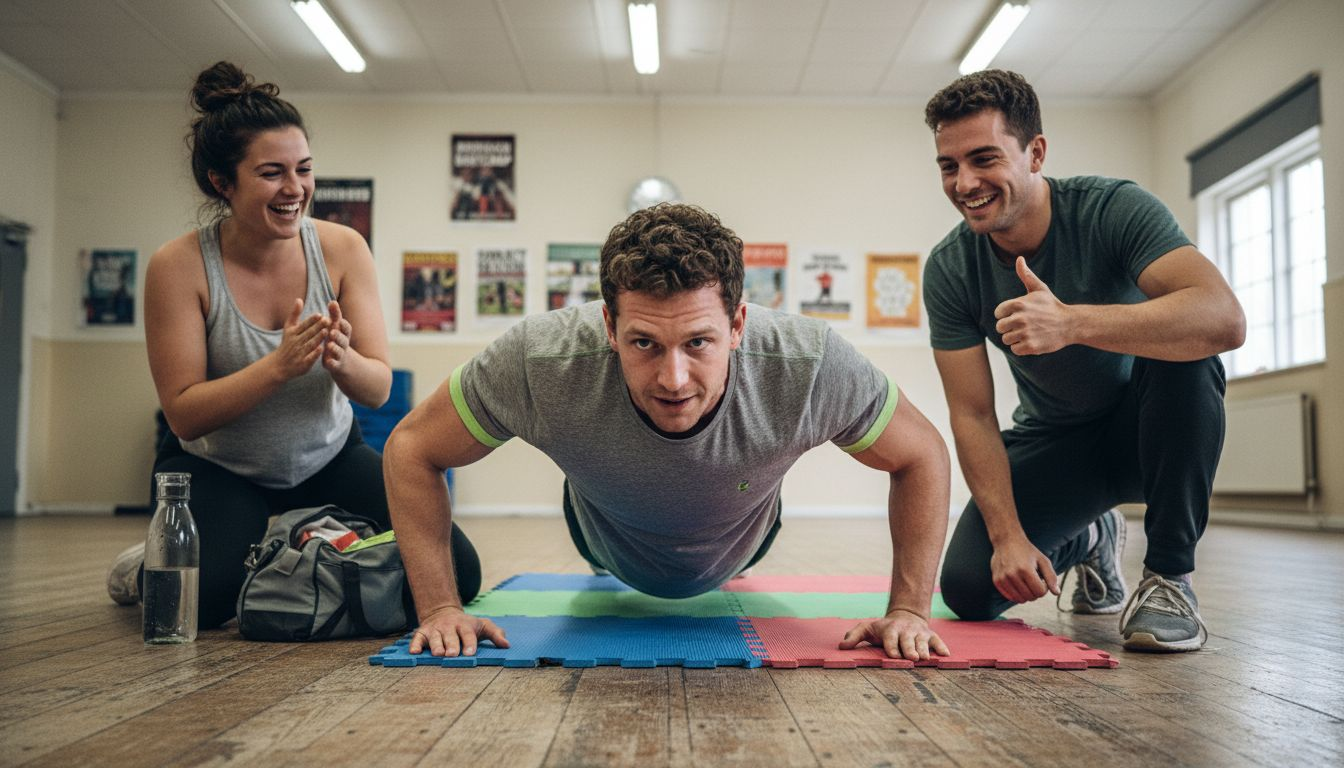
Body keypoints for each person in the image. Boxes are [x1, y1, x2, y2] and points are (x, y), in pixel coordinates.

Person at [385, 203, 953, 661]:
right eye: (644, 344)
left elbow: (922, 453)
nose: (673, 378)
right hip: (604, 538)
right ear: (608, 325)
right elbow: (412, 447)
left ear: (737, 324)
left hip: (743, 538)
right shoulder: (543, 359)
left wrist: (908, 610)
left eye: (698, 343)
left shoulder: (807, 364)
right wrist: (438, 610)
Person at [105, 62, 482, 629]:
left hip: (326, 455)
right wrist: (277, 367)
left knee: (460, 572)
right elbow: (183, 413)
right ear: (221, 182)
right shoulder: (178, 266)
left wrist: (342, 361)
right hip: (218, 466)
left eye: (304, 170)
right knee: (200, 607)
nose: (295, 189)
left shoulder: (342, 248)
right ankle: (147, 566)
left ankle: (300, 546)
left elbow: (378, 388)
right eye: (271, 173)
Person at [920, 70, 1246, 652]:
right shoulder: (950, 269)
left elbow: (1223, 319)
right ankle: (1091, 537)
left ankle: (1169, 577)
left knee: (1187, 349)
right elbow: (971, 414)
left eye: (984, 159)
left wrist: (1072, 322)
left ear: (1035, 152)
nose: (964, 182)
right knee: (970, 589)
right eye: (949, 165)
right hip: (1057, 443)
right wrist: (1009, 536)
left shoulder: (1113, 209)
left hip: (1149, 431)